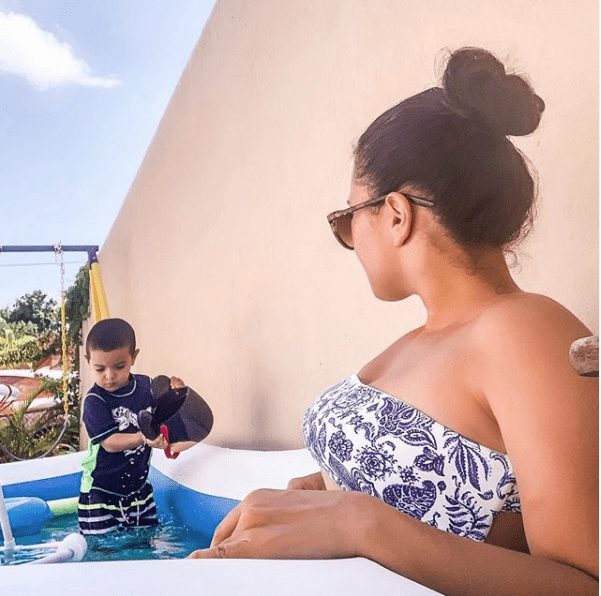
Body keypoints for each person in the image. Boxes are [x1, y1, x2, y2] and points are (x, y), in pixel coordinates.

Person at [188, 48, 598, 594]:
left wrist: (360, 522)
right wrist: (324, 493)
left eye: (347, 219)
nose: (350, 241)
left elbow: (584, 583)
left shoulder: (525, 332)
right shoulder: (425, 339)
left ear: (396, 215)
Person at [78, 317, 184, 535]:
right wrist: (143, 438)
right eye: (99, 369)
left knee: (145, 545)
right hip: (99, 494)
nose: (109, 376)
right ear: (88, 361)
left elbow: (166, 411)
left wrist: (177, 393)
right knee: (104, 553)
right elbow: (109, 443)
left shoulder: (146, 387)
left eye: (119, 366)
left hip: (139, 492)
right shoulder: (95, 401)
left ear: (133, 357)